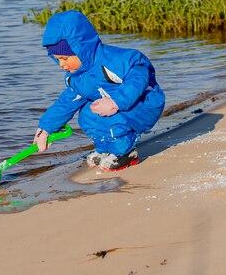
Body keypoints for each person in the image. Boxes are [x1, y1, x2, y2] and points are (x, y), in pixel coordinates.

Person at [33, 10, 165, 171]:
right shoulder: (77, 77)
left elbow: (139, 76)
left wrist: (116, 101)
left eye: (65, 58)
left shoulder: (112, 61)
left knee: (112, 120)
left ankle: (125, 153)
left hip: (144, 102)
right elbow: (66, 103)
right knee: (86, 117)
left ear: (80, 48)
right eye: (57, 59)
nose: (61, 64)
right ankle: (105, 149)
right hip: (115, 104)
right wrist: (46, 128)